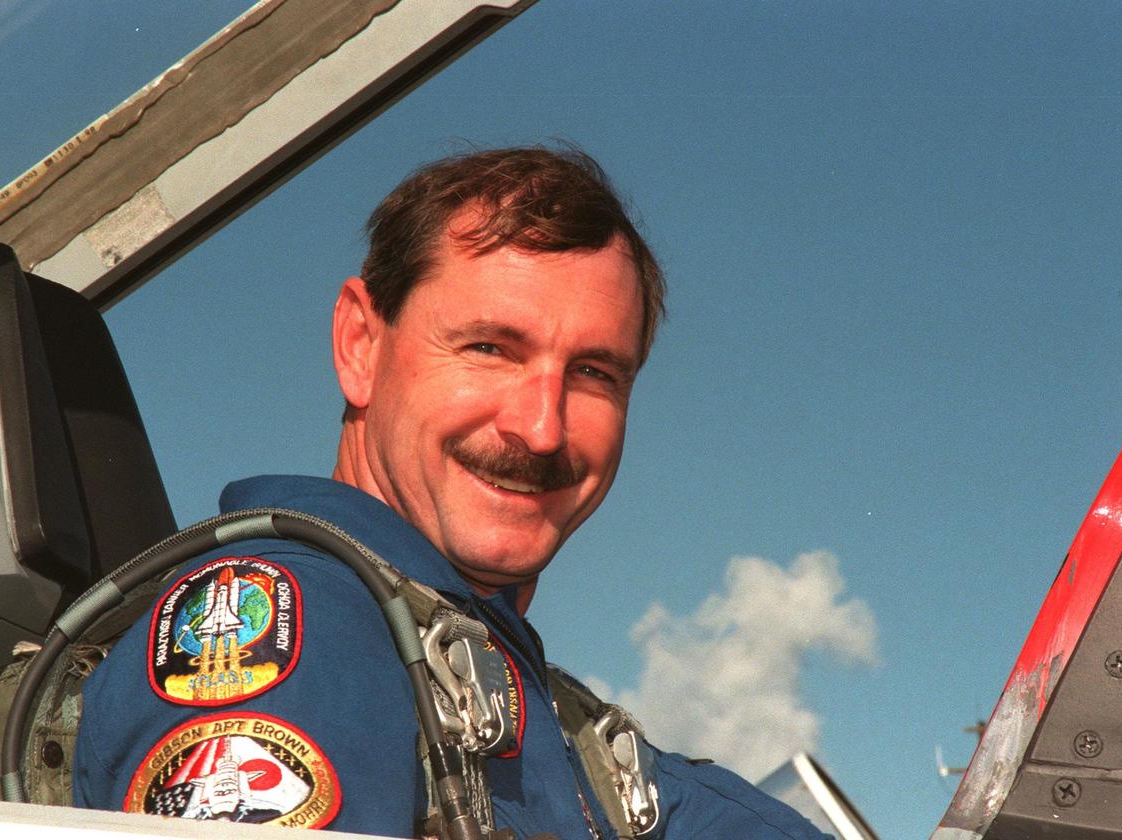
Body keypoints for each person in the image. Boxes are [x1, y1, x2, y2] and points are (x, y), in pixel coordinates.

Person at [73, 147, 827, 839]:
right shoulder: (293, 633)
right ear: (360, 347)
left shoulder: (542, 721)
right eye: (490, 348)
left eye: (595, 373)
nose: (541, 427)